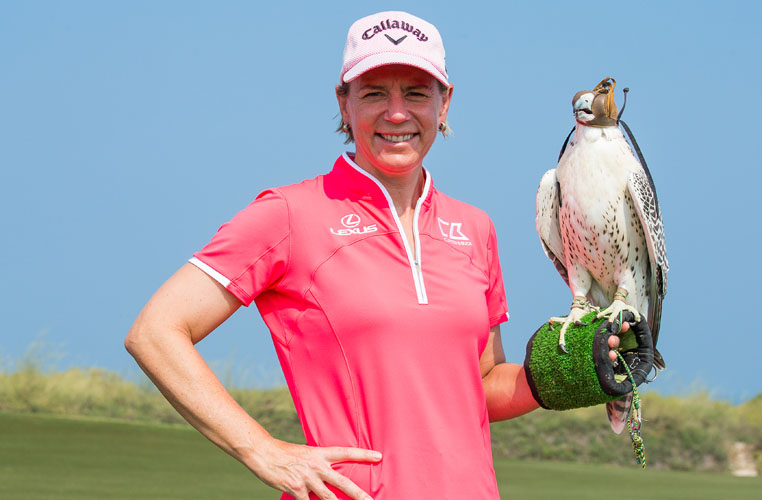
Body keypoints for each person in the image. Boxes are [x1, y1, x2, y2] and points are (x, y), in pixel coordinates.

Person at [125, 11, 626, 500]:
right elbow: (156, 332)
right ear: (343, 104)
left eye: (415, 92)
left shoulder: (475, 229)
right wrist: (264, 451)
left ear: (444, 103)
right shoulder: (289, 215)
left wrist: (557, 373)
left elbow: (480, 386)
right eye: (372, 93)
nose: (396, 113)